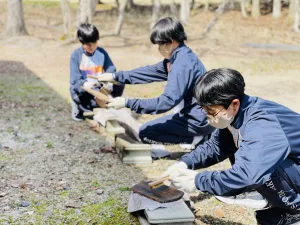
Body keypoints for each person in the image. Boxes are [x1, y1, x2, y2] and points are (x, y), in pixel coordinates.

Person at [163, 68, 300, 225]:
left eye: (211, 112)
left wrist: (198, 181)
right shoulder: (237, 114)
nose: (207, 118)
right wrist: (185, 162)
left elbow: (249, 173)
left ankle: (296, 210)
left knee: (261, 162)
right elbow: (216, 147)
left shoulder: (261, 124)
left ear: (234, 104)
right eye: (204, 110)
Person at [97, 17, 215, 147]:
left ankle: (197, 140)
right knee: (149, 129)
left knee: (145, 133)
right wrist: (115, 76)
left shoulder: (182, 64)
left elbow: (166, 102)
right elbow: (149, 72)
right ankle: (199, 135)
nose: (158, 48)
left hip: (198, 119)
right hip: (195, 114)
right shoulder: (178, 57)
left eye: (159, 44)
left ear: (169, 43)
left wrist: (127, 103)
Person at [70, 23, 124, 121]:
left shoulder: (101, 52)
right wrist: (85, 84)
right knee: (76, 92)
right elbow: (75, 80)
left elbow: (111, 69)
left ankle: (108, 105)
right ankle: (79, 108)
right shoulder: (76, 55)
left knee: (120, 81)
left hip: (98, 87)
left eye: (94, 43)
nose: (92, 47)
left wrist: (108, 80)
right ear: (82, 42)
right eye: (88, 44)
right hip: (85, 89)